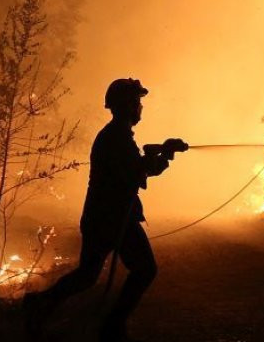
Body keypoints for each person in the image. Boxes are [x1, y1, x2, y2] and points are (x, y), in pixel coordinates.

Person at [25, 78, 181, 342]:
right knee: (144, 270)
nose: (140, 107)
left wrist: (160, 154)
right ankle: (111, 327)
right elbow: (134, 173)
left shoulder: (117, 134)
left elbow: (135, 168)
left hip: (104, 217)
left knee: (87, 275)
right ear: (127, 105)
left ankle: (39, 305)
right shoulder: (116, 137)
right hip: (112, 218)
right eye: (137, 102)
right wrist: (163, 155)